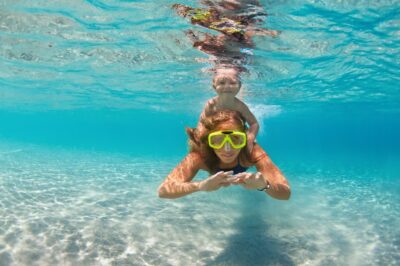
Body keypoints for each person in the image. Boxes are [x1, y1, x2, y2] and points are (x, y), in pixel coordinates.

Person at [158, 110, 290, 200]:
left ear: (244, 139)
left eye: (235, 139)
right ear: (209, 141)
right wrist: (200, 186)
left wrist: (264, 185)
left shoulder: (251, 151)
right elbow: (163, 191)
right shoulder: (199, 155)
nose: (227, 149)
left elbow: (286, 193)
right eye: (218, 140)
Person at [195, 67, 259, 155]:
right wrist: (200, 139)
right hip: (218, 135)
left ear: (239, 86)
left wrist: (250, 137)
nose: (227, 86)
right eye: (221, 83)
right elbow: (201, 123)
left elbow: (254, 124)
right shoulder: (211, 104)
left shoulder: (240, 106)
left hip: (236, 134)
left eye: (232, 83)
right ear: (214, 86)